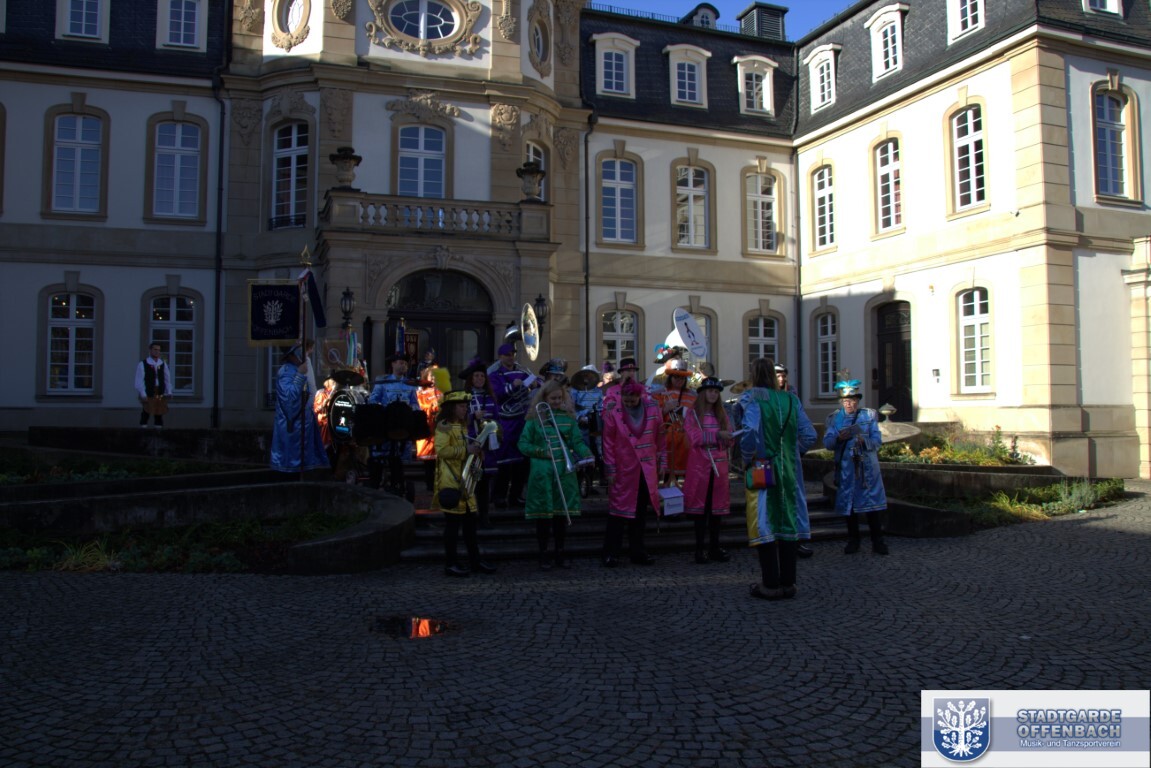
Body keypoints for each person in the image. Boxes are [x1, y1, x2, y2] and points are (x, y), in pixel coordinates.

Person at [740, 358, 815, 600]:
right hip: (790, 470)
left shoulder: (753, 398)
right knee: (788, 521)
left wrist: (747, 457)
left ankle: (770, 583)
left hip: (763, 467)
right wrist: (792, 452)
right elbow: (810, 434)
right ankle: (789, 582)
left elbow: (749, 432)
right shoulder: (792, 399)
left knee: (764, 521)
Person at [518, 380, 593, 570]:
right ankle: (543, 554)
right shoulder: (534, 420)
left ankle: (560, 552)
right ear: (544, 398)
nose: (557, 401)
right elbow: (523, 444)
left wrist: (586, 454)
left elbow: (577, 441)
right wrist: (542, 452)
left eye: (560, 398)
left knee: (561, 515)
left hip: (564, 472)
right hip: (542, 472)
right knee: (543, 516)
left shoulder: (568, 418)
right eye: (553, 398)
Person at [600, 378, 667, 567]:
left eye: (633, 400)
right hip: (623, 469)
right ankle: (611, 552)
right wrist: (610, 469)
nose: (629, 404)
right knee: (617, 513)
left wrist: (663, 462)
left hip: (646, 469)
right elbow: (608, 442)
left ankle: (638, 552)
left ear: (640, 396)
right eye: (626, 400)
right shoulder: (614, 412)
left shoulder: (653, 410)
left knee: (640, 513)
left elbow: (661, 437)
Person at [434, 390, 497, 577]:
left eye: (466, 406)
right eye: (462, 406)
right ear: (452, 408)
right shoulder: (444, 426)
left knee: (470, 526)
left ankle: (475, 560)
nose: (465, 410)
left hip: (465, 481)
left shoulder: (462, 426)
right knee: (452, 526)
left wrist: (476, 452)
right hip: (451, 481)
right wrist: (466, 450)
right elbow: (442, 451)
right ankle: (450, 563)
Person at [823, 379, 889, 555]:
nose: (849, 404)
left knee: (872, 505)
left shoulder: (868, 416)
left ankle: (878, 541)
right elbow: (827, 443)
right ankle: (853, 540)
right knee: (850, 506)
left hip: (867, 469)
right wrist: (839, 438)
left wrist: (864, 441)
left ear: (857, 401)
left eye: (852, 400)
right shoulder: (834, 419)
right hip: (847, 469)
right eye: (845, 401)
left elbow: (877, 441)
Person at [683, 377, 733, 564]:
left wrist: (729, 438)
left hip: (719, 466)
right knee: (700, 511)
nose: (713, 394)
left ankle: (714, 547)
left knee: (716, 510)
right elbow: (694, 437)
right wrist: (717, 435)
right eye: (710, 391)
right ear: (703, 393)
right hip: (700, 466)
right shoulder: (693, 413)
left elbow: (729, 435)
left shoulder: (722, 414)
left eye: (716, 392)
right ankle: (699, 549)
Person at [772, 363, 813, 558]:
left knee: (782, 498)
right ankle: (789, 540)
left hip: (771, 458)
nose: (781, 379)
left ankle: (784, 540)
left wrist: (797, 450)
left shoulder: (761, 400)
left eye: (783, 375)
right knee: (789, 498)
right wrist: (796, 450)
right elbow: (809, 434)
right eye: (778, 376)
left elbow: (809, 434)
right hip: (787, 457)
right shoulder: (792, 400)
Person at [489, 342, 536, 507]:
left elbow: (536, 382)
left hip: (522, 421)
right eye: (507, 355)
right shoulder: (494, 375)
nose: (511, 357)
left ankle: (516, 496)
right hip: (505, 422)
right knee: (504, 462)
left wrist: (535, 383)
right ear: (500, 357)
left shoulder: (522, 371)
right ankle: (499, 497)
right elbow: (496, 394)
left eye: (513, 354)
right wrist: (512, 386)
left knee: (522, 462)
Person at [271, 344, 330, 473]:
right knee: (293, 463)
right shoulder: (286, 372)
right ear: (292, 355)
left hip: (303, 424)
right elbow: (289, 398)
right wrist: (299, 375)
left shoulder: (295, 369)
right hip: (293, 426)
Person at [367, 353, 421, 494]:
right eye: (401, 362)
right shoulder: (382, 382)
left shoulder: (410, 384)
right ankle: (376, 483)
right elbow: (373, 400)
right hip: (386, 425)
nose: (403, 366)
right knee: (380, 457)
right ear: (393, 364)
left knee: (399, 459)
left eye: (405, 364)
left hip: (403, 426)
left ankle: (398, 485)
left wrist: (412, 409)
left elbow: (415, 403)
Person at [460, 358, 500, 527]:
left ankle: (484, 515)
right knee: (471, 481)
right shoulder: (463, 397)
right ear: (471, 378)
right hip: (471, 443)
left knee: (484, 482)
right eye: (476, 376)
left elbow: (497, 418)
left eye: (482, 376)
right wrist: (472, 417)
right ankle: (470, 515)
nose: (479, 379)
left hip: (487, 446)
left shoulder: (490, 397)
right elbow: (458, 420)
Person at [654, 358, 696, 485]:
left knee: (688, 473)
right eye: (676, 377)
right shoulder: (661, 393)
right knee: (665, 471)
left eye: (682, 377)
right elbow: (653, 417)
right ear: (670, 377)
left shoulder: (693, 395)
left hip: (686, 439)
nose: (679, 380)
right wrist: (665, 409)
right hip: (667, 438)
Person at [135, 343, 173, 428]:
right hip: (148, 390)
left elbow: (167, 379)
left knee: (159, 412)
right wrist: (143, 393)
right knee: (146, 411)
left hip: (159, 391)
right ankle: (143, 429)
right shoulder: (143, 364)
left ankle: (158, 430)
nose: (157, 352)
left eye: (159, 350)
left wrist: (169, 391)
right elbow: (139, 380)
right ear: (150, 350)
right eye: (155, 349)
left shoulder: (162, 364)